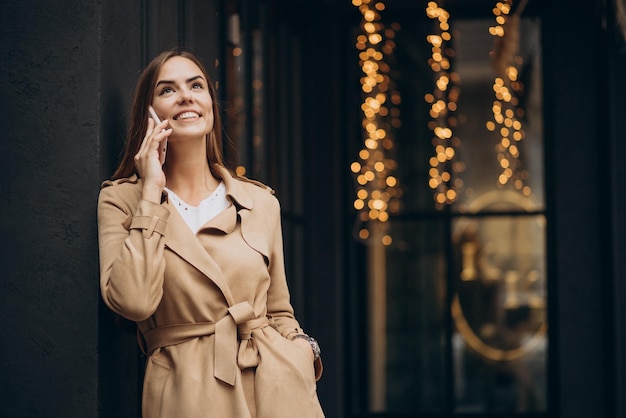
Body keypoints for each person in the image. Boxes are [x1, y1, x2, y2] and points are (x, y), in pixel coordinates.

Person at [97, 48, 324, 418]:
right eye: (168, 90)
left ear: (211, 103)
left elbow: (279, 309)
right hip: (187, 391)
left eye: (196, 85)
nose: (186, 95)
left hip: (277, 389)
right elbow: (134, 301)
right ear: (148, 113)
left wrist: (303, 352)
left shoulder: (259, 201)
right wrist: (152, 191)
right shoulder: (123, 199)